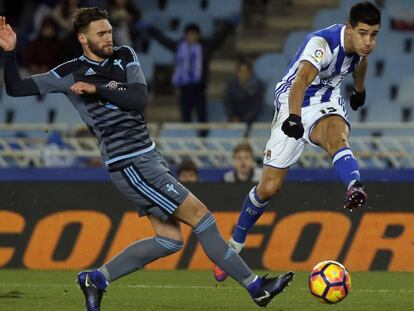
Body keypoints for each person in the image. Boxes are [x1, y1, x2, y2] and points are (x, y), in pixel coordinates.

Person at [0, 9, 293, 311]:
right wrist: (9, 53)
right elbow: (17, 88)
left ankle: (96, 279)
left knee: (169, 239)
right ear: (82, 38)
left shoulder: (124, 55)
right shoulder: (68, 73)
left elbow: (139, 98)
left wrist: (98, 88)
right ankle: (257, 288)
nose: (108, 37)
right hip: (128, 162)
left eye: (110, 31)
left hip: (147, 155)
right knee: (202, 218)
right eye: (101, 33)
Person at [213, 1, 380, 282]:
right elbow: (300, 80)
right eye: (363, 33)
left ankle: (354, 185)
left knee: (336, 135)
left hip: (327, 102)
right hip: (294, 101)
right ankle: (233, 248)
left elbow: (360, 64)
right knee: (268, 188)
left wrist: (359, 91)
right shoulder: (322, 43)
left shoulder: (360, 49)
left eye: (374, 34)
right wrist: (292, 118)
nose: (368, 41)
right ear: (349, 29)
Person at [145, 18, 238, 128]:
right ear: (186, 35)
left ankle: (203, 141)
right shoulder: (180, 46)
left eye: (194, 34)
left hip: (199, 89)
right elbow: (164, 40)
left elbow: (219, 37)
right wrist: (150, 29)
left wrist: (229, 25)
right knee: (186, 120)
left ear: (198, 35)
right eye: (189, 34)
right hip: (184, 90)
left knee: (202, 119)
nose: (192, 37)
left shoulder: (205, 47)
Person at [224, 59, 265, 126]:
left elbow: (255, 107)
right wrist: (232, 116)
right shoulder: (231, 86)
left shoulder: (257, 87)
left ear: (250, 73)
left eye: (245, 72)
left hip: (251, 122)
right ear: (237, 73)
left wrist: (244, 120)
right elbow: (227, 103)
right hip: (234, 120)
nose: (243, 74)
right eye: (241, 72)